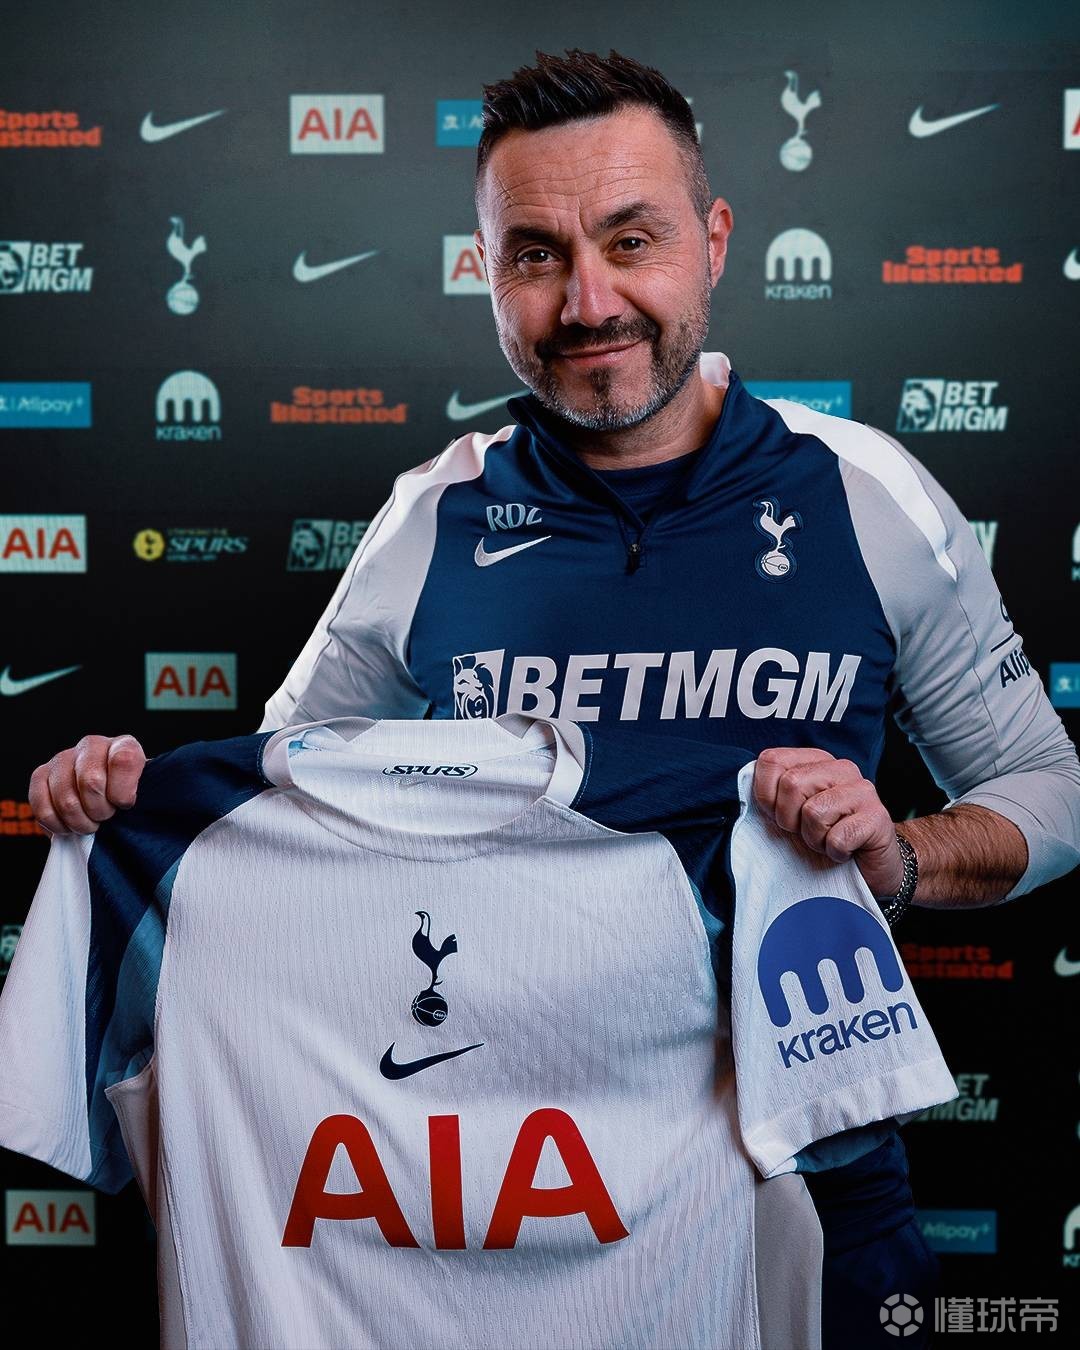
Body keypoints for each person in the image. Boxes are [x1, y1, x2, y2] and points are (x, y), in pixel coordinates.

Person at [28, 47, 1080, 1349]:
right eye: (536, 254)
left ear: (712, 241)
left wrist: (899, 857)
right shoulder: (433, 518)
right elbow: (277, 813)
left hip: (807, 1166)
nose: (589, 300)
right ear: (486, 272)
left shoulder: (866, 496)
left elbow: (1050, 794)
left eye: (631, 239)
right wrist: (127, 806)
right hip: (514, 1193)